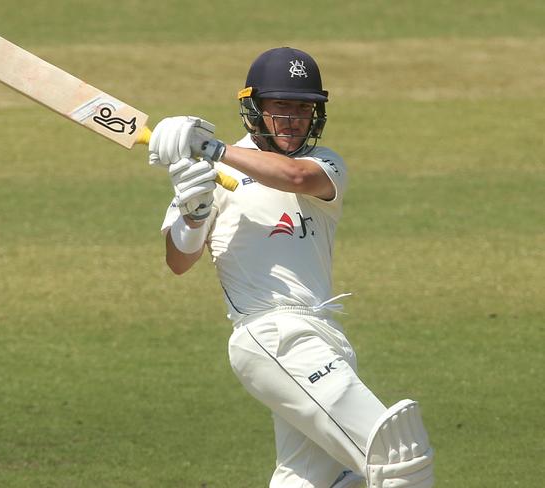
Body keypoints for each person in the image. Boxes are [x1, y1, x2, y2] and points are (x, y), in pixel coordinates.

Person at [148, 47, 434, 488]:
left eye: (304, 107)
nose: (294, 118)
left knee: (313, 482)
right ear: (255, 109)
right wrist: (195, 212)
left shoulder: (323, 164)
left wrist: (211, 147)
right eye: (280, 106)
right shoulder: (206, 174)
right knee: (398, 462)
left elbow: (295, 179)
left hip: (325, 336)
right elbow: (178, 261)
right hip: (271, 336)